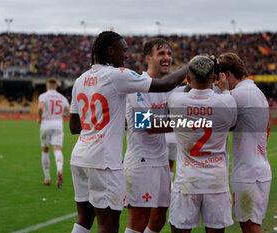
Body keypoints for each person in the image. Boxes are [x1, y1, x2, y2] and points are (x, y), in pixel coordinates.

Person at [69, 31, 188, 233]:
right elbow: (146, 123)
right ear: (110, 51)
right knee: (110, 223)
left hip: (82, 154)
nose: (126, 56)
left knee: (85, 218)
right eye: (123, 51)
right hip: (109, 160)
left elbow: (74, 127)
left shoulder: (81, 80)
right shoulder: (122, 77)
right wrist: (194, 65)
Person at [168, 56, 237, 233]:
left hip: (187, 180)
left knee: (180, 230)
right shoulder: (227, 101)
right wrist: (226, 90)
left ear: (188, 79)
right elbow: (232, 121)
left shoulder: (176, 100)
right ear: (214, 79)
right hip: (216, 181)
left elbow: (185, 93)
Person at [124, 38, 176, 233]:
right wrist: (188, 124)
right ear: (149, 58)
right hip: (141, 161)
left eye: (169, 54)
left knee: (158, 219)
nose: (167, 58)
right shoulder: (138, 84)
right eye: (161, 53)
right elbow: (147, 125)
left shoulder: (168, 87)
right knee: (139, 220)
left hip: (161, 160)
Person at [217, 52, 272, 233]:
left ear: (227, 74)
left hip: (249, 172)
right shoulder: (254, 91)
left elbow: (219, 116)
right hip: (257, 167)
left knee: (249, 225)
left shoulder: (240, 94)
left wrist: (223, 90)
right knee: (249, 223)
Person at [37, 77, 70, 188]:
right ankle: (59, 170)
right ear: (56, 86)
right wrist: (60, 115)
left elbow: (41, 107)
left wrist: (40, 117)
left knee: (45, 150)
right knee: (57, 149)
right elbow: (68, 112)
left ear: (47, 86)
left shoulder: (43, 96)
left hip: (46, 124)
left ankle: (47, 178)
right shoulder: (62, 97)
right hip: (58, 125)